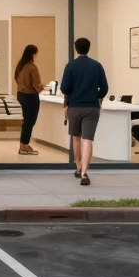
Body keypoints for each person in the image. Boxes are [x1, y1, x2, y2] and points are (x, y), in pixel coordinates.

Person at [59, 37, 108, 186]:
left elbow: (65, 88)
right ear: (89, 48)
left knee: (76, 137)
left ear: (76, 48)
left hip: (75, 107)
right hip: (92, 107)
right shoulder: (97, 66)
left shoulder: (71, 66)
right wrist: (98, 97)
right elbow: (104, 87)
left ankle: (78, 166)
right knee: (88, 139)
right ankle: (85, 172)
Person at [13, 44, 45, 155]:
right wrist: (45, 88)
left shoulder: (20, 65)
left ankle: (23, 144)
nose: (36, 56)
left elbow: (17, 79)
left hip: (21, 95)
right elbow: (36, 84)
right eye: (36, 53)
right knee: (30, 121)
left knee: (26, 121)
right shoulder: (32, 67)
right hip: (31, 96)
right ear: (33, 54)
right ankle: (24, 145)